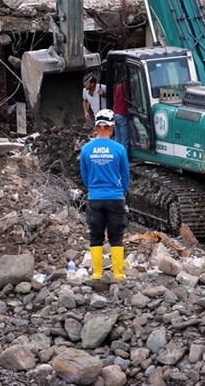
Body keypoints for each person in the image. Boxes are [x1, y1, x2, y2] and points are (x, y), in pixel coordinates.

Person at [79, 110, 130, 281]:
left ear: (96, 127)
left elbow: (85, 176)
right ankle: (118, 273)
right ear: (111, 128)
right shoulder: (119, 149)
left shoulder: (86, 149)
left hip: (95, 197)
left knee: (96, 235)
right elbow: (125, 176)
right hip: (115, 198)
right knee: (116, 236)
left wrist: (93, 190)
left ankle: (97, 273)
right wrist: (121, 193)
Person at [111, 68, 129, 149]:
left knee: (117, 139)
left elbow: (115, 98)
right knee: (124, 140)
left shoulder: (118, 87)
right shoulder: (128, 88)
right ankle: (124, 159)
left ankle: (116, 157)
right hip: (122, 114)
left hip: (114, 114)